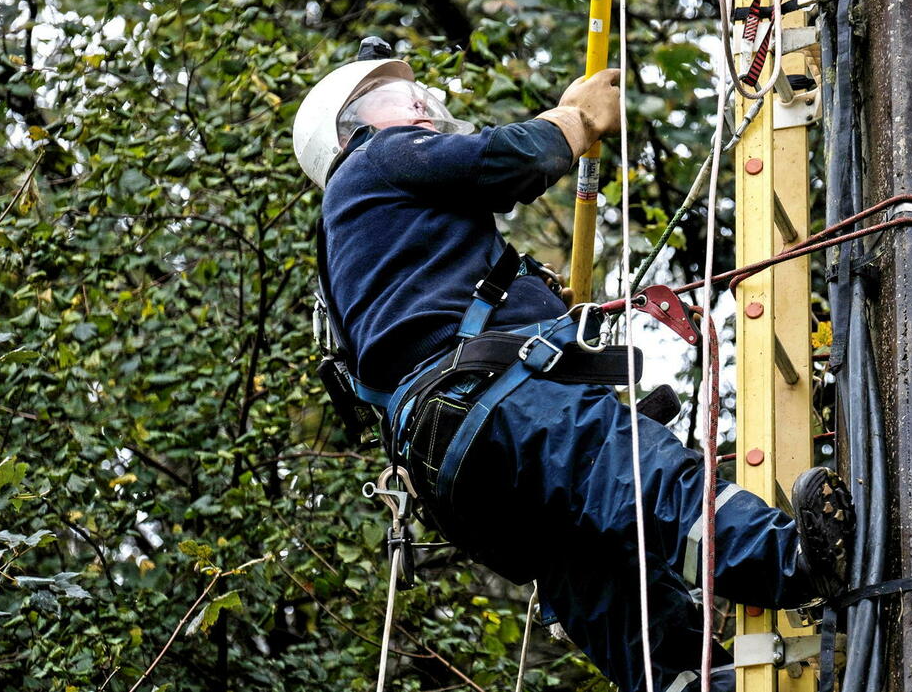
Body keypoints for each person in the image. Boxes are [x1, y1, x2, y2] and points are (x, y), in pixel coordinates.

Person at [292, 40, 854, 692]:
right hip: (494, 406)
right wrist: (576, 118)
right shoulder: (376, 158)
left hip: (457, 475)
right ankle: (793, 560)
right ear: (352, 124)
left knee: (603, 571)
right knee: (636, 474)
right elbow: (503, 160)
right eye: (401, 96)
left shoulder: (352, 252)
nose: (423, 103)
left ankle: (693, 682)